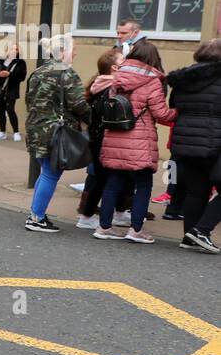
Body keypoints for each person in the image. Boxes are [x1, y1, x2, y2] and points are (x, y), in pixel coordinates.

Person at [93, 43, 176, 244]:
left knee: (113, 183)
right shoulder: (152, 81)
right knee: (144, 184)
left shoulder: (117, 78)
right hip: (139, 140)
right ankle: (136, 230)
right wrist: (180, 113)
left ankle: (104, 227)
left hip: (114, 137)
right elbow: (160, 113)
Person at [23, 34, 90, 233]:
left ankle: (36, 214)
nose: (76, 52)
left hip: (36, 127)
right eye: (73, 49)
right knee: (51, 174)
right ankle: (36, 218)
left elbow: (29, 100)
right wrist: (94, 121)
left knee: (45, 173)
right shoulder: (66, 73)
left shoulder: (38, 71)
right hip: (55, 131)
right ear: (62, 51)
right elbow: (79, 104)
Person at [164, 38, 221, 253]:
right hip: (213, 140)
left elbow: (173, 105)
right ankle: (202, 231)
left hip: (184, 139)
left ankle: (190, 235)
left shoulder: (184, 78)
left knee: (196, 190)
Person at [76, 49, 131, 228]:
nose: (127, 62)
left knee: (109, 177)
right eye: (124, 60)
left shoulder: (99, 84)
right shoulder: (110, 88)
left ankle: (118, 212)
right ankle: (86, 217)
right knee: (102, 179)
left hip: (98, 138)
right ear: (115, 67)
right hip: (104, 139)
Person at [0, 41, 26, 141]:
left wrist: (9, 74)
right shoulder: (0, 60)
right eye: (11, 49)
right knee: (0, 111)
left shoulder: (20, 62)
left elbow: (22, 76)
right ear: (7, 50)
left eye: (16, 49)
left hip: (11, 89)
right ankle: (2, 132)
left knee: (10, 109)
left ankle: (16, 132)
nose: (14, 51)